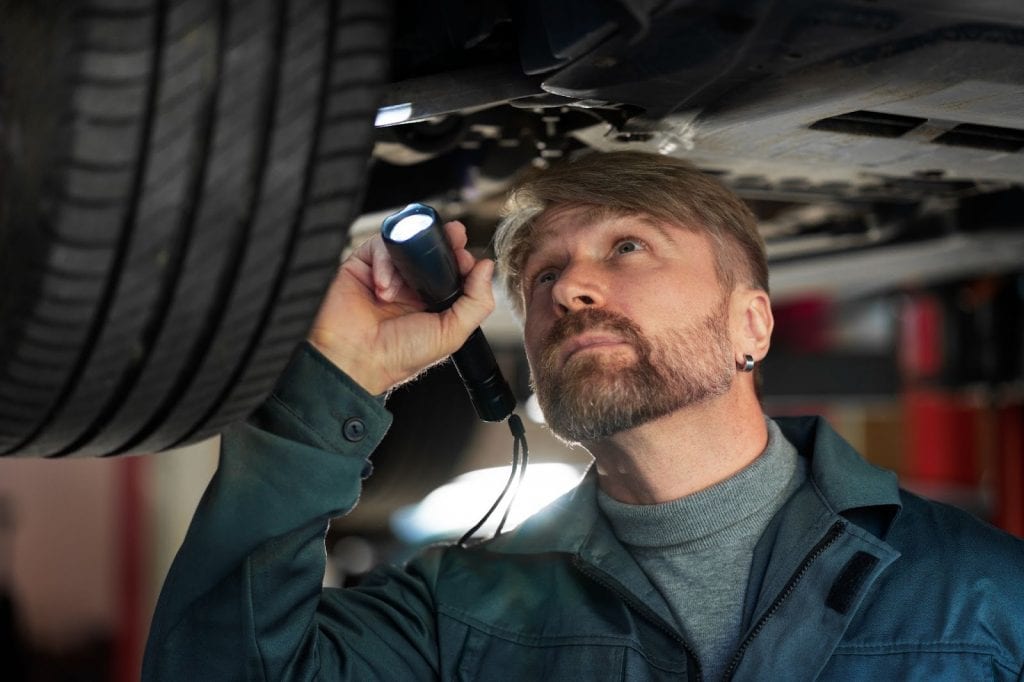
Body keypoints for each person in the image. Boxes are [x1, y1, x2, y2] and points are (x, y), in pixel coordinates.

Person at [143, 151, 1024, 680]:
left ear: (752, 325)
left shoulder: (982, 593)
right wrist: (338, 376)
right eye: (542, 276)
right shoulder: (463, 610)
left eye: (627, 246)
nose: (570, 288)